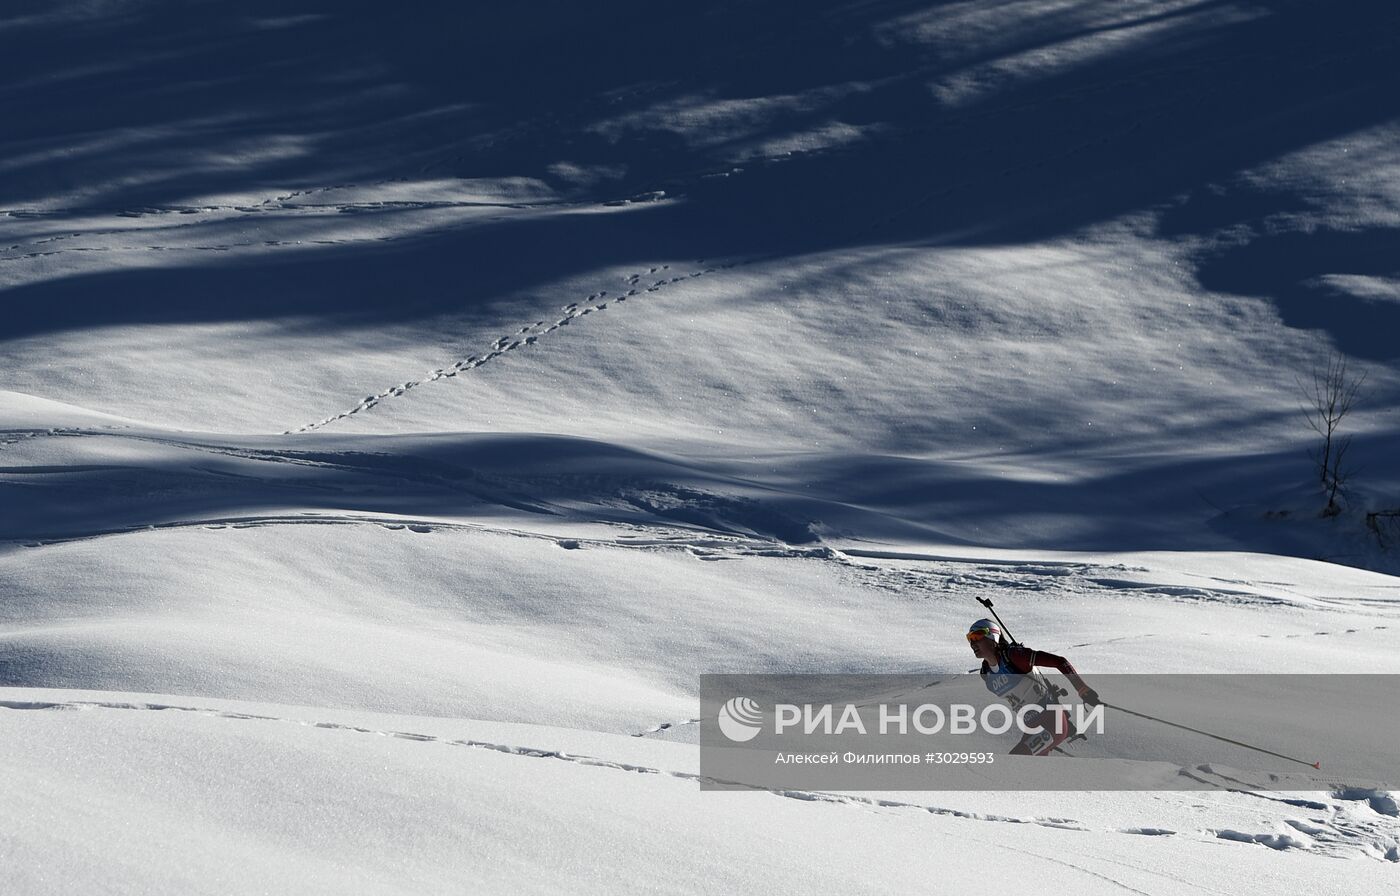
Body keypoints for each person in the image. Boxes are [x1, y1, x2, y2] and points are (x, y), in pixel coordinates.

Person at [967, 618, 1100, 755]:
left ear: (993, 636)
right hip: (1032, 728)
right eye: (969, 638)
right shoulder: (986, 673)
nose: (973, 642)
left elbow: (1060, 661)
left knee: (1014, 762)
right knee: (1024, 770)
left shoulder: (1014, 655)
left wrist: (1082, 689)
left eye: (977, 636)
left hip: (1053, 723)